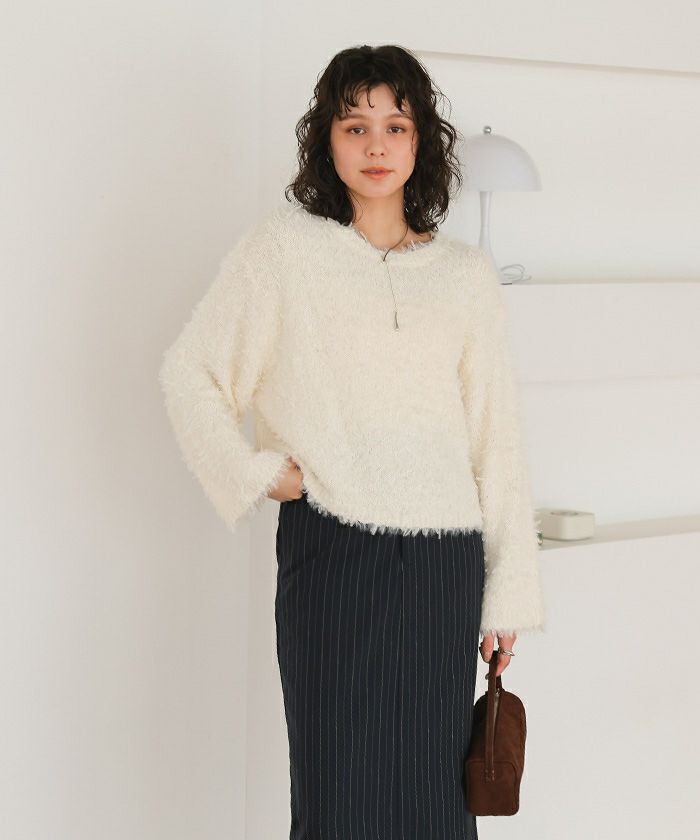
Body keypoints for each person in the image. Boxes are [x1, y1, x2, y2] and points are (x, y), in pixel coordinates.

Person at [158, 43, 546, 840]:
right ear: (326, 141)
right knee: (338, 793)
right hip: (333, 553)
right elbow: (190, 373)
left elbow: (495, 439)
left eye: (396, 126)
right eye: (354, 125)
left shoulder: (465, 277)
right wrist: (260, 473)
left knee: (436, 803)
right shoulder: (283, 252)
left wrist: (507, 591)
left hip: (443, 567)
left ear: (421, 141)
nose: (376, 145)